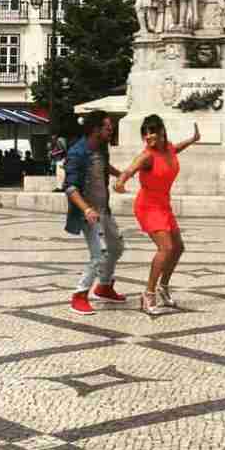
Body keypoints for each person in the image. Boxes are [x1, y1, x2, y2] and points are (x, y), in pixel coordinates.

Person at [115, 115, 201, 315]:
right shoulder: (147, 156)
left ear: (162, 131)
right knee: (166, 248)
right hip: (148, 206)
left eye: (152, 131)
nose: (148, 136)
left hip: (163, 205)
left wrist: (193, 139)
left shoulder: (168, 148)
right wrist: (120, 182)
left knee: (178, 248)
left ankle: (163, 286)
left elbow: (176, 149)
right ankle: (148, 294)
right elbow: (130, 169)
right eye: (145, 133)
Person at [63, 111, 128, 316]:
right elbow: (70, 188)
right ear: (95, 130)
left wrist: (122, 174)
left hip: (103, 209)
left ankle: (104, 286)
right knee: (98, 254)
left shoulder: (101, 147)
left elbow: (103, 166)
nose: (111, 130)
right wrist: (87, 209)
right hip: (86, 212)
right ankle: (79, 295)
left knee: (117, 247)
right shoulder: (76, 153)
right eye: (108, 127)